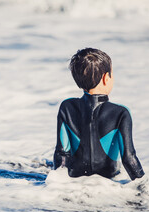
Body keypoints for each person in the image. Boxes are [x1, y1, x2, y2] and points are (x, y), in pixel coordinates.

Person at [53, 48, 144, 181]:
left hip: (74, 181)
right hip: (107, 183)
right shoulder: (120, 113)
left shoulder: (67, 107)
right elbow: (129, 158)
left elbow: (61, 154)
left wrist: (56, 186)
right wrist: (144, 189)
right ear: (106, 78)